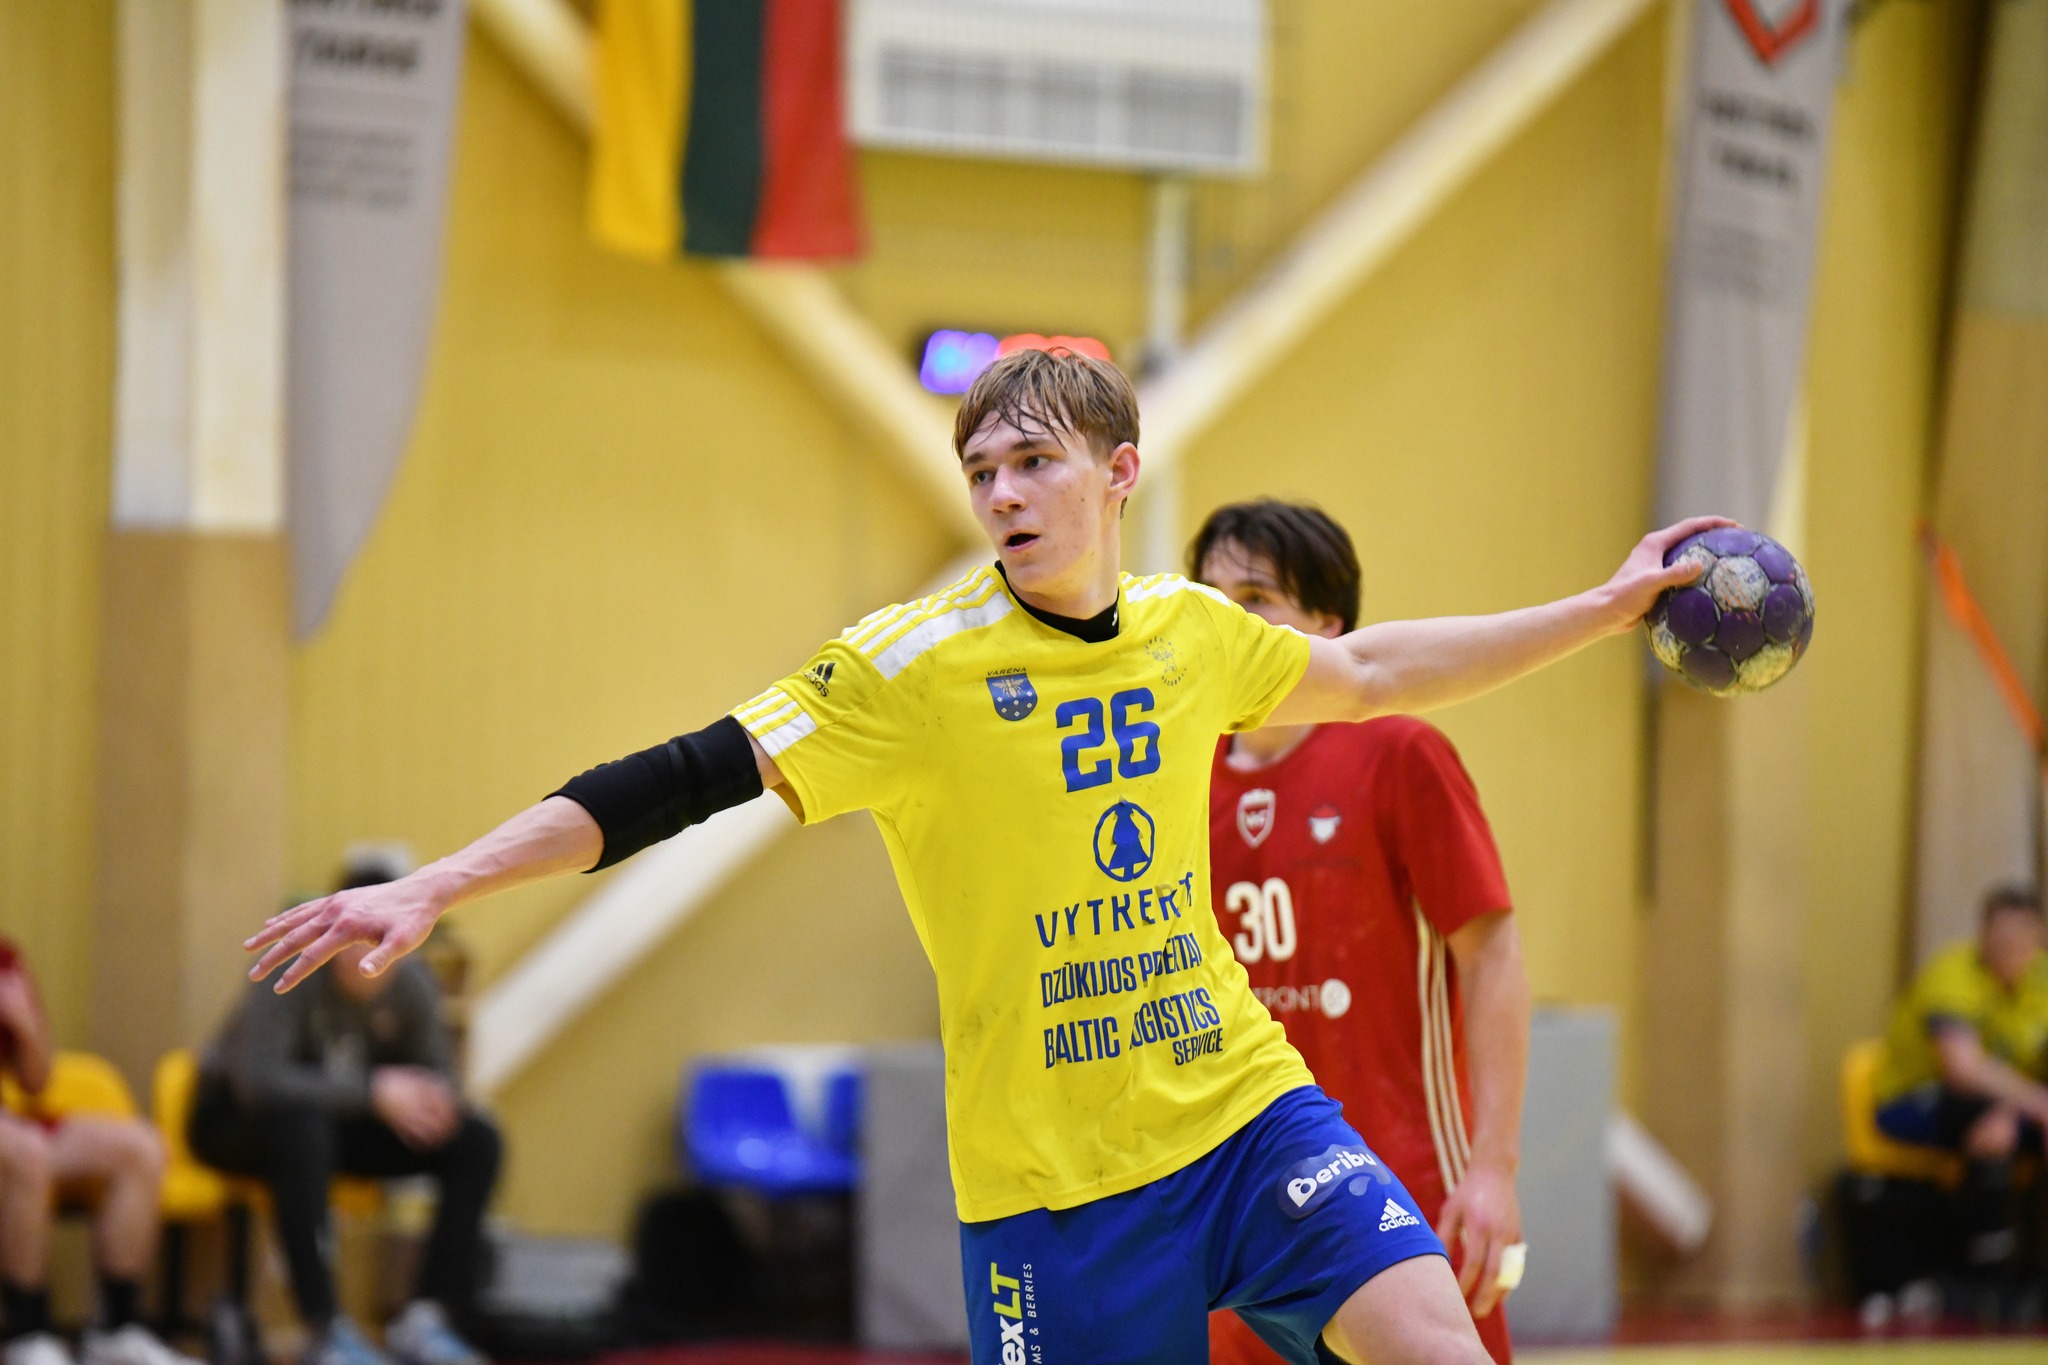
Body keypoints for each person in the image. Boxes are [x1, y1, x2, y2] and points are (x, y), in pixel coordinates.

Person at [242, 349, 1723, 1365]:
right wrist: (439, 882)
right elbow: (676, 780)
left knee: (1436, 1348)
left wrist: (1603, 611)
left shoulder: (1193, 633)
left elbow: (1383, 667)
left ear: (1118, 472)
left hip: (1242, 1115)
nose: (1002, 493)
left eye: (1032, 461)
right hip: (1053, 1191)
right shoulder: (911, 667)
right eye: (981, 471)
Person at [1192, 501, 1525, 1365]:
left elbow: (1491, 953)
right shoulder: (1174, 783)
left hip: (1404, 1186)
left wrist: (1492, 1170)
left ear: (1328, 627)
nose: (1227, 619)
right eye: (1210, 596)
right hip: (1241, 1194)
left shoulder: (1402, 756)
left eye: (1255, 597)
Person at [190, 864, 500, 1365]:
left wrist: (431, 1103)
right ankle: (324, 1328)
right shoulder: (293, 964)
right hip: (232, 1120)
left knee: (475, 1140)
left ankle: (428, 1317)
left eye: (381, 933)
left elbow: (437, 1080)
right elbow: (258, 1082)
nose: (365, 949)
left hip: (332, 1128)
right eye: (355, 933)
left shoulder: (413, 982)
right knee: (302, 1128)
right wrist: (372, 1092)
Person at [0, 942, 195, 1365]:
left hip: (11, 1121)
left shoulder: (6, 960)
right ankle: (27, 1333)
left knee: (141, 1148)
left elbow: (36, 1082)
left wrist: (22, 1024)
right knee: (28, 1151)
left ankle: (117, 1328)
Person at [1872, 885, 2048, 1285]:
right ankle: (1987, 1278)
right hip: (1916, 1099)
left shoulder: (2041, 979)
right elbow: (1963, 1070)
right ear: (1983, 933)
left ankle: (2035, 1278)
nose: (2011, 945)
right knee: (1993, 1131)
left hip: (2004, 1100)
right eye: (2001, 935)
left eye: (2023, 935)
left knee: (2004, 1121)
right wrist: (2035, 1102)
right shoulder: (1952, 973)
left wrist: (2018, 1106)